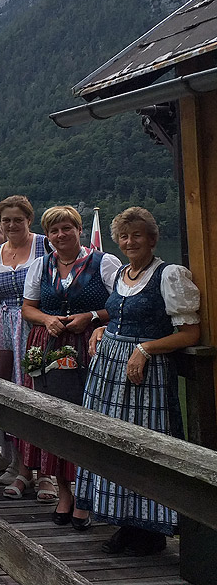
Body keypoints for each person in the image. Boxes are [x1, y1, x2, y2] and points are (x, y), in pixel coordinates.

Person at [76, 207, 200, 556]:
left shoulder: (168, 274)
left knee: (145, 445)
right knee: (112, 444)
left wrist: (146, 348)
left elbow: (191, 333)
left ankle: (150, 530)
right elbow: (119, 315)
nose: (130, 242)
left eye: (137, 235)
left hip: (145, 376)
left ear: (152, 238)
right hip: (108, 372)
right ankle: (125, 523)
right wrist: (103, 327)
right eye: (125, 236)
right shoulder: (122, 274)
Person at [20, 205, 120, 529]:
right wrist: (48, 319)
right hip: (47, 346)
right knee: (51, 418)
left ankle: (88, 497)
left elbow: (119, 304)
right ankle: (65, 492)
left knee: (89, 418)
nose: (61, 235)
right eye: (54, 230)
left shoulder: (103, 262)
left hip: (90, 346)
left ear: (79, 230)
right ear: (47, 236)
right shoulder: (41, 265)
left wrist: (90, 317)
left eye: (67, 228)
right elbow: (28, 309)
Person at [0, 196, 47, 486]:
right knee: (9, 393)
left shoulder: (44, 245)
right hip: (4, 328)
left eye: (17, 220)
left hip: (37, 327)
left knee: (39, 393)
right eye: (5, 220)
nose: (10, 225)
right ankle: (21, 466)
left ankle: (45, 472)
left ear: (28, 220)